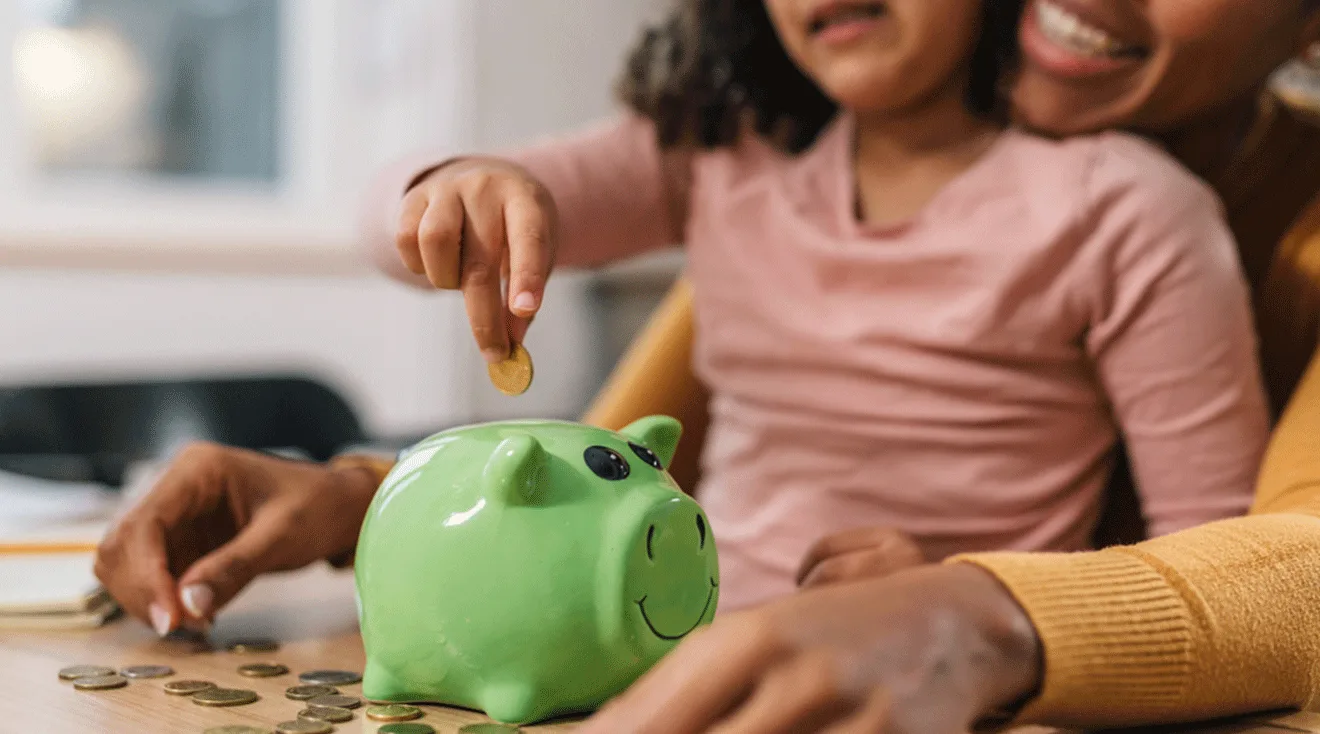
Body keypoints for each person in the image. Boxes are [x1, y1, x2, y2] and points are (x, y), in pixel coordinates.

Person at [90, 0, 1320, 731]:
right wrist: (457, 188)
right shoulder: (718, 157)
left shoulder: (1134, 212)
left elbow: (1209, 558)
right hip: (646, 658)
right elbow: (397, 223)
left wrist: (957, 594)